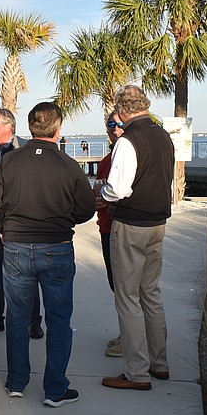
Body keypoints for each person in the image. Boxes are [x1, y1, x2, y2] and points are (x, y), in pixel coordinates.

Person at [0, 102, 96, 408]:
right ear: (59, 129)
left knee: (17, 317)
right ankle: (55, 389)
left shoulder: (9, 162)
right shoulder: (68, 165)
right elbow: (86, 208)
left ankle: (17, 382)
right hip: (56, 247)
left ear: (31, 127)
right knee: (58, 319)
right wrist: (62, 219)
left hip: (16, 247)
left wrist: (1, 226)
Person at [98, 85, 175, 391]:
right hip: (157, 223)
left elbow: (118, 188)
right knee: (151, 294)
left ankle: (136, 371)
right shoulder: (162, 135)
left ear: (123, 111)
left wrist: (101, 192)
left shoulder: (129, 141)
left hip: (131, 224)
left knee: (128, 297)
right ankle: (159, 363)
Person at [0, 108, 43, 339]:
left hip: (20, 221)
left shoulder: (24, 148)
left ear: (7, 126)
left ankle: (34, 321)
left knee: (27, 272)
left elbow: (33, 183)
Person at [95, 111, 125, 357]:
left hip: (121, 227)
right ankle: (126, 333)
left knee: (126, 286)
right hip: (105, 226)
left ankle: (130, 339)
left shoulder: (125, 157)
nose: (114, 128)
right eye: (110, 124)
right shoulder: (107, 159)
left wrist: (104, 197)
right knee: (116, 284)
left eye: (119, 124)